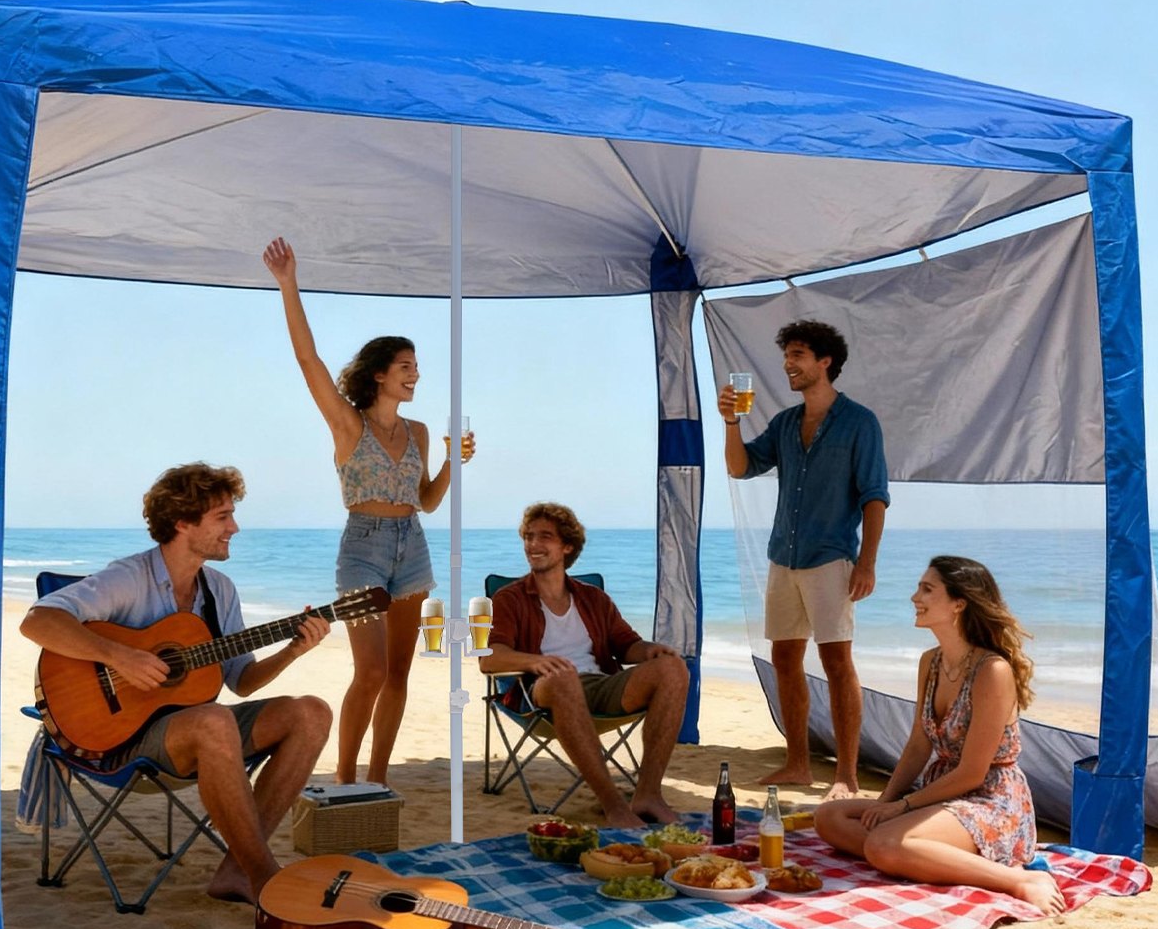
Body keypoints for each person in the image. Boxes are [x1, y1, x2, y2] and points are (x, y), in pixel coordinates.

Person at [18, 463, 332, 905]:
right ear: (183, 522)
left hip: (188, 734)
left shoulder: (218, 590)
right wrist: (119, 656)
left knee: (311, 712)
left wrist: (292, 650)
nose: (235, 527)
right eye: (222, 516)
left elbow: (241, 681)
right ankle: (265, 876)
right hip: (117, 739)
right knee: (213, 721)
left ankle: (237, 870)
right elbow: (38, 621)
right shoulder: (129, 578)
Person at [263, 235, 473, 786]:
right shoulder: (348, 424)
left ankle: (377, 779)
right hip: (363, 547)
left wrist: (453, 462)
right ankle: (347, 776)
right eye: (406, 366)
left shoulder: (421, 432)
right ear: (379, 373)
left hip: (412, 547)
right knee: (371, 671)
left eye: (417, 367)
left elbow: (425, 500)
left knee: (399, 674)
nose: (416, 375)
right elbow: (308, 360)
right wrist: (289, 284)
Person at [813, 556, 1065, 915]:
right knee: (830, 818)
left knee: (884, 845)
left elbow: (973, 773)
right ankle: (926, 852)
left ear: (959, 604)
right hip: (939, 793)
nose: (915, 597)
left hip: (990, 800)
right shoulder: (930, 661)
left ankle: (1020, 880)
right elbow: (919, 744)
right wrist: (887, 801)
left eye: (927, 589)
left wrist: (902, 808)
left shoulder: (992, 671)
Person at [720, 319, 889, 799]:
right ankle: (798, 764)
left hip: (831, 557)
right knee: (785, 658)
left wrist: (868, 563)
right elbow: (740, 467)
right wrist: (731, 422)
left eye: (797, 356)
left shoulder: (860, 423)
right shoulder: (785, 423)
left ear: (824, 362)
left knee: (837, 663)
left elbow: (874, 496)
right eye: (786, 357)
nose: (787, 366)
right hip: (783, 557)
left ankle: (847, 776)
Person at [481, 502, 688, 827]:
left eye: (544, 537)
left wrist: (651, 651)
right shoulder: (510, 598)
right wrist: (538, 662)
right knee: (563, 676)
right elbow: (488, 658)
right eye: (529, 537)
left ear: (567, 546)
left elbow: (627, 645)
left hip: (600, 685)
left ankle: (648, 795)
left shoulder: (593, 598)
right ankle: (614, 806)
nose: (533, 545)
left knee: (674, 668)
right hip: (540, 689)